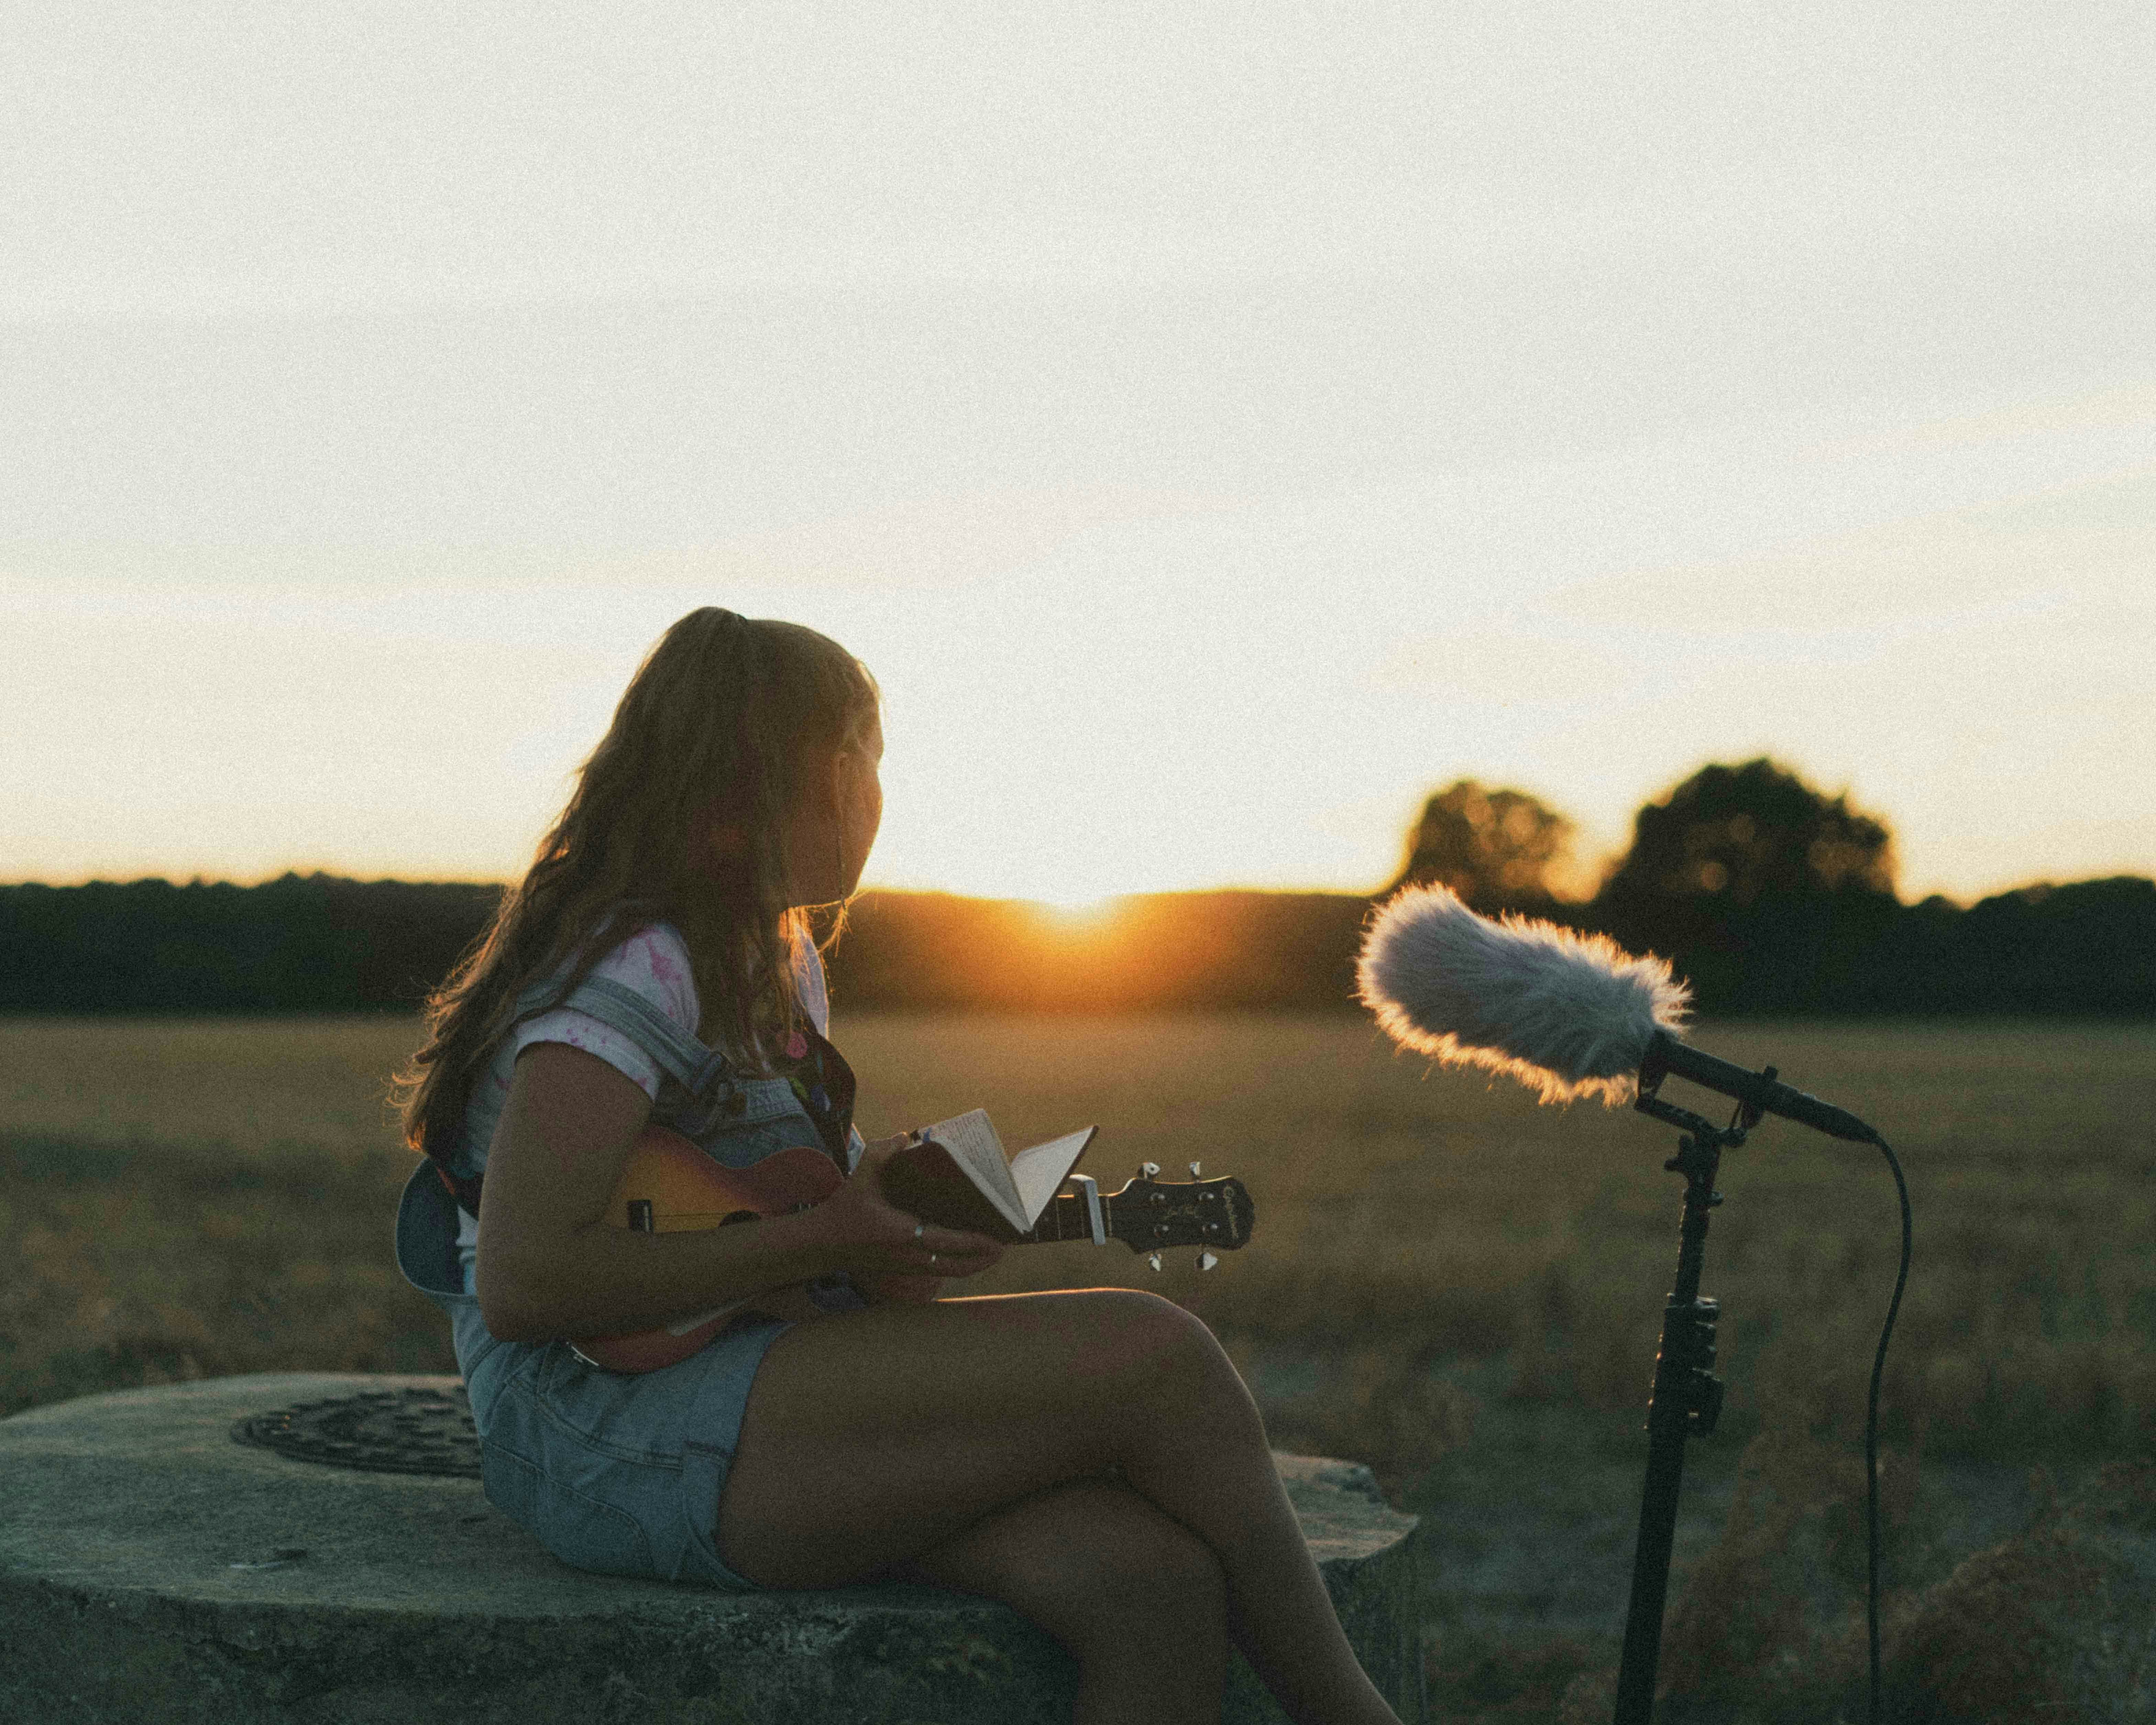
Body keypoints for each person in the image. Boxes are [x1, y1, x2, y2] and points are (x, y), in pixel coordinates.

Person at [392, 607, 1405, 1725]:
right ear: (826, 768)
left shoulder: (774, 959)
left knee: (1151, 1586)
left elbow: (763, 1240)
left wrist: (881, 1241)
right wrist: (826, 1238)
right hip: (600, 1434)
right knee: (1163, 1355)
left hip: (740, 1388)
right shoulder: (640, 964)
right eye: (874, 759)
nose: (880, 794)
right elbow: (527, 1282)